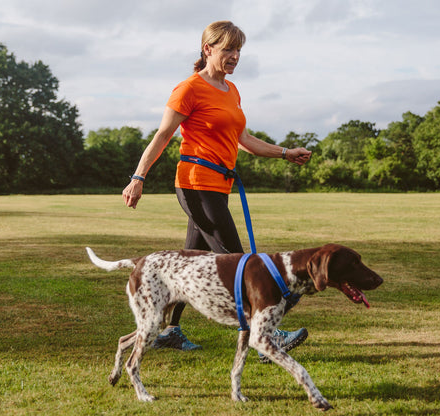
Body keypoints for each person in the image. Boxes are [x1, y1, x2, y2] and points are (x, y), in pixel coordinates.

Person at [122, 21, 312, 359]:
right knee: (241, 263)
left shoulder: (231, 90)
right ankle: (268, 335)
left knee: (190, 261)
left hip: (219, 185)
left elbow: (244, 140)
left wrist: (285, 153)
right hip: (196, 184)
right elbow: (163, 136)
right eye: (228, 49)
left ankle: (170, 331)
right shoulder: (189, 88)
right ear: (207, 49)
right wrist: (138, 177)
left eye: (238, 50)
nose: (235, 56)